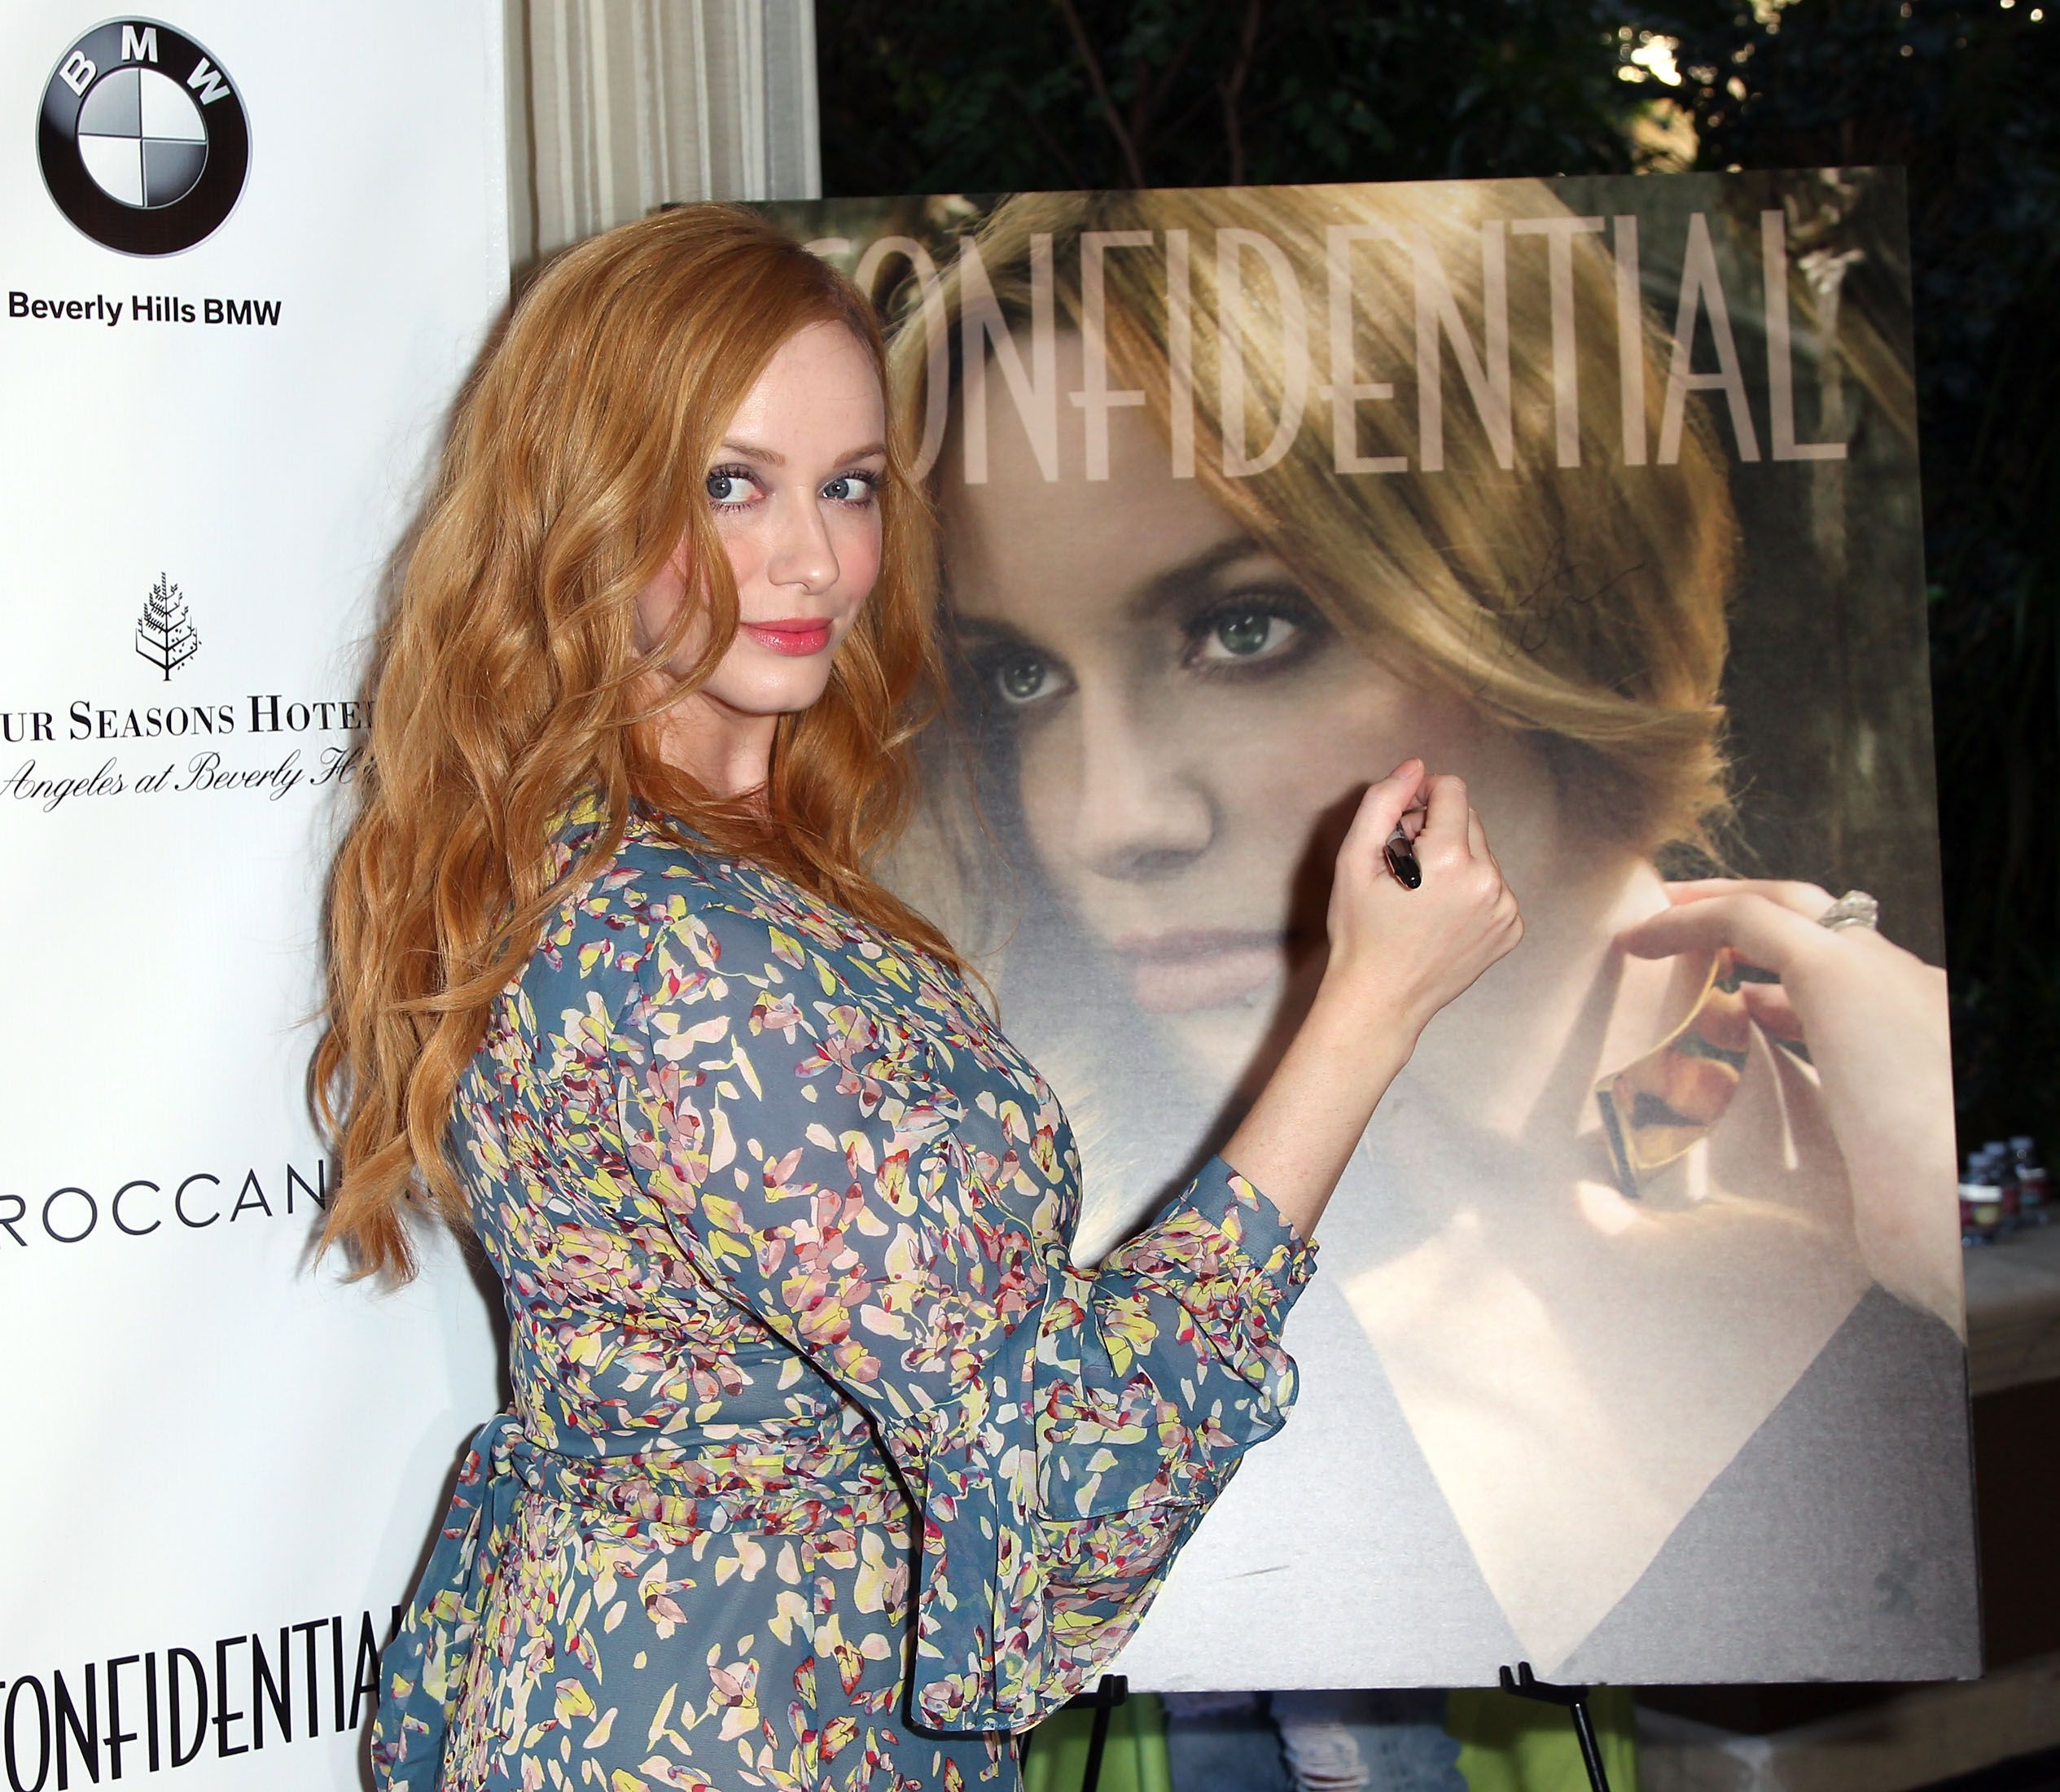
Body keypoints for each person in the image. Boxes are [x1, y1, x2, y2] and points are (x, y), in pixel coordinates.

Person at [310, 204, 1523, 1792]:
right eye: (730, 484)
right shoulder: (691, 951)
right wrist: (1367, 1007)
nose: (813, 559)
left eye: (852, 485)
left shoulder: (635, 855)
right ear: (586, 499)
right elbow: (1064, 1483)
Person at [885, 182, 1971, 1696]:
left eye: (1245, 627)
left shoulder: (1888, 1177)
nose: (1109, 818)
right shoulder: (1022, 1265)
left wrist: (1946, 1245)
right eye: (1019, 677)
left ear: (1545, 600)